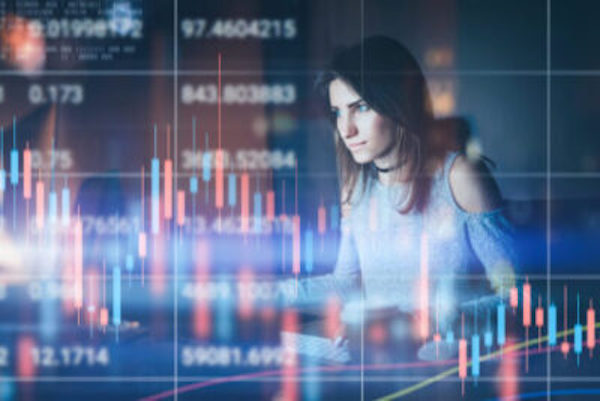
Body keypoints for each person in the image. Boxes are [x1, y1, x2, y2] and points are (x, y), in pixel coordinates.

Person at [288, 36, 517, 350]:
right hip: (381, 358)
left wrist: (435, 319)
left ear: (399, 105)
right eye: (338, 112)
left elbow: (519, 297)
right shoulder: (356, 187)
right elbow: (345, 282)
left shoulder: (461, 178)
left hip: (447, 363)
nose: (347, 129)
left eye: (362, 108)